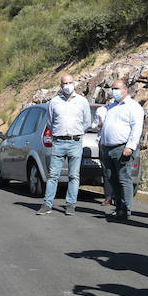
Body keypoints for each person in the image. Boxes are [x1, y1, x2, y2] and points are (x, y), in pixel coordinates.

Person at [38, 74, 92, 216]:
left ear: (74, 83)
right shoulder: (55, 102)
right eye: (65, 83)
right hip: (59, 141)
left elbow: (87, 122)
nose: (68, 85)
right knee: (53, 175)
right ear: (61, 86)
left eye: (70, 82)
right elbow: (50, 122)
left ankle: (70, 205)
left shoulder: (82, 101)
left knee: (74, 175)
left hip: (75, 141)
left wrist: (77, 132)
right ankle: (47, 204)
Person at [97, 79, 144, 221]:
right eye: (112, 88)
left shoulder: (133, 107)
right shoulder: (112, 107)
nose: (113, 91)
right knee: (112, 178)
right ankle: (118, 208)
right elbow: (107, 126)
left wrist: (130, 146)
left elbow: (136, 128)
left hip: (122, 147)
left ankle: (126, 209)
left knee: (124, 178)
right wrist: (104, 142)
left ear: (125, 90)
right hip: (108, 148)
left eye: (116, 88)